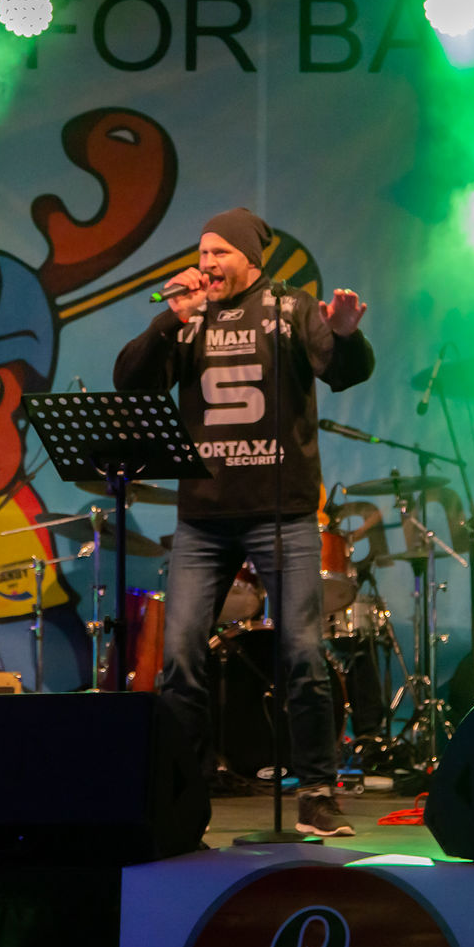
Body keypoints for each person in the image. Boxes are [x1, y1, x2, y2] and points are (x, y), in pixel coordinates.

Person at [114, 208, 374, 837]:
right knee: (180, 656)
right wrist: (168, 320)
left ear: (250, 261)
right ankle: (181, 798)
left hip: (281, 512)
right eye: (202, 253)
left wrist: (345, 336)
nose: (206, 264)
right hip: (204, 518)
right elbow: (131, 383)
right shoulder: (189, 319)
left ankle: (317, 793)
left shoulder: (291, 308)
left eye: (219, 253)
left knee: (303, 652)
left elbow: (343, 372)